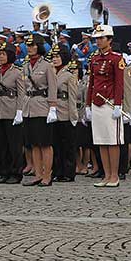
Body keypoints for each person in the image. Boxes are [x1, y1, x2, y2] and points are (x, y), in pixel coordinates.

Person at [85, 24, 126, 187]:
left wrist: (118, 104)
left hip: (110, 103)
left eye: (102, 38)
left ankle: (114, 175)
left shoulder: (116, 58)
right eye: (97, 39)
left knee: (112, 141)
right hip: (97, 103)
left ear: (109, 40)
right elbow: (92, 84)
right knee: (101, 140)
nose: (99, 42)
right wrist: (88, 105)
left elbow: (119, 84)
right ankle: (106, 174)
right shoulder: (94, 59)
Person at [21, 33, 58, 187]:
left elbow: (53, 87)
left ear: (39, 47)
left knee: (45, 143)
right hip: (29, 106)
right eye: (28, 46)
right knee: (34, 144)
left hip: (43, 106)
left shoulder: (47, 65)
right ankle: (38, 174)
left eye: (32, 45)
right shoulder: (26, 65)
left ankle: (47, 175)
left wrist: (52, 108)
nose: (29, 48)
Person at [0, 43, 25, 184]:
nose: (0, 57)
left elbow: (21, 93)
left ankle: (16, 173)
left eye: (3, 54)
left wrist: (19, 111)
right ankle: (4, 171)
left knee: (14, 145)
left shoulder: (17, 72)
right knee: (1, 144)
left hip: (11, 110)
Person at [51, 44, 78, 182]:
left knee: (68, 145)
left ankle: (68, 172)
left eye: (58, 56)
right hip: (53, 112)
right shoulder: (51, 72)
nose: (55, 59)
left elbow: (73, 96)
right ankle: (57, 171)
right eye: (53, 57)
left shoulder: (69, 74)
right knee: (56, 144)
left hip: (65, 111)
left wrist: (73, 115)